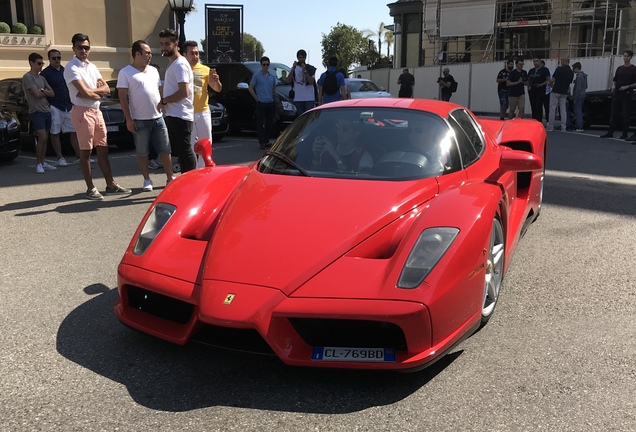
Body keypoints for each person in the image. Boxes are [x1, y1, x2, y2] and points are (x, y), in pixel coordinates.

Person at [64, 33, 131, 200]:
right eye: (79, 47)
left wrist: (91, 92)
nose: (83, 50)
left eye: (86, 47)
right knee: (85, 152)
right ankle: (90, 188)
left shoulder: (92, 67)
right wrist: (92, 92)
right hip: (82, 111)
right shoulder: (71, 67)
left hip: (96, 110)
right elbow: (84, 93)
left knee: (103, 149)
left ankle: (110, 184)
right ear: (73, 48)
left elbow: (107, 90)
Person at [117, 40, 174, 191]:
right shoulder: (125, 72)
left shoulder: (153, 71)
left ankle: (170, 178)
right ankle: (147, 180)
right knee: (142, 151)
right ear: (137, 54)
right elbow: (122, 97)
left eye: (150, 53)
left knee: (165, 149)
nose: (150, 56)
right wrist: (128, 119)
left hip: (158, 117)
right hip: (139, 120)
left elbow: (159, 89)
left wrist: (163, 103)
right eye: (147, 53)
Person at [158, 28, 196, 172]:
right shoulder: (173, 63)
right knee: (181, 152)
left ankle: (191, 183)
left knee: (185, 151)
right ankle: (187, 183)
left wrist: (164, 101)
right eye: (161, 44)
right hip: (174, 114)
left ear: (176, 44)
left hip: (181, 115)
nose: (164, 47)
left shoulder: (180, 64)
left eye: (167, 43)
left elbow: (183, 92)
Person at [41, 49, 83, 166]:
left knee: (73, 131)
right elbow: (43, 90)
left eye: (58, 58)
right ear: (49, 59)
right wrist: (48, 105)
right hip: (55, 106)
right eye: (54, 58)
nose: (56, 60)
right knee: (55, 132)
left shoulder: (65, 71)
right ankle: (60, 158)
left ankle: (79, 156)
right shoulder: (45, 74)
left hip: (68, 105)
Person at [183, 40, 222, 168]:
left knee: (206, 144)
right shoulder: (182, 69)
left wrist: (215, 81)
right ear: (184, 55)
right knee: (190, 146)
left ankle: (203, 170)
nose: (195, 56)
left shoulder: (205, 69)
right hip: (187, 113)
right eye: (192, 53)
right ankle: (193, 171)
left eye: (197, 53)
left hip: (203, 111)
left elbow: (217, 89)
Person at [22, 52, 56, 174]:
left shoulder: (42, 78)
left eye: (42, 63)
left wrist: (42, 91)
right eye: (39, 63)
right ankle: (38, 164)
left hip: (46, 110)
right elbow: (36, 95)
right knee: (42, 137)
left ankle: (43, 161)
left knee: (46, 139)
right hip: (36, 111)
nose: (41, 65)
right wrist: (43, 92)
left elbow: (52, 93)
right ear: (31, 63)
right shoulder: (28, 77)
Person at [601, 50, 636, 140]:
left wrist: (627, 86)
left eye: (627, 56)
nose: (625, 58)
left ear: (631, 57)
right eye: (624, 56)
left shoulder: (633, 69)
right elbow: (615, 79)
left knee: (625, 114)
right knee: (614, 113)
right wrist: (613, 85)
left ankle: (625, 134)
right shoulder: (619, 68)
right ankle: (610, 132)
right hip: (617, 93)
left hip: (627, 94)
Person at [249, 56, 277, 150]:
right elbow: (250, 87)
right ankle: (261, 142)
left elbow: (273, 89)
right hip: (261, 102)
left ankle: (266, 140)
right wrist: (257, 98)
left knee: (269, 123)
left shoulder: (272, 77)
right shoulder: (256, 76)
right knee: (260, 123)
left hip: (270, 102)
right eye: (264, 64)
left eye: (267, 64)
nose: (266, 66)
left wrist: (274, 98)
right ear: (261, 65)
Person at [286, 49, 316, 116]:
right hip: (298, 98)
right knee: (300, 118)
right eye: (300, 58)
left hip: (309, 98)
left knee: (308, 118)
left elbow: (311, 82)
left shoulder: (310, 68)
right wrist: (293, 68)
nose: (301, 59)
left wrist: (305, 71)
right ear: (297, 58)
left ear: (305, 58)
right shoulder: (294, 68)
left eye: (303, 57)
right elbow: (288, 80)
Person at [547, 58, 574, 131]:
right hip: (564, 92)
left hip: (556, 91)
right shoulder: (571, 72)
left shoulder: (559, 69)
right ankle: (563, 127)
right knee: (563, 109)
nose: (560, 63)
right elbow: (569, 82)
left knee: (552, 109)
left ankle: (550, 126)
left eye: (561, 61)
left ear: (564, 62)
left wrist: (550, 84)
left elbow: (552, 80)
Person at [527, 58, 550, 122]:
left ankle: (539, 121)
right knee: (533, 106)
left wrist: (542, 84)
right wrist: (528, 88)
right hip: (532, 90)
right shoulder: (531, 70)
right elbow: (528, 79)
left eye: (537, 61)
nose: (535, 62)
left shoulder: (544, 70)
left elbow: (548, 79)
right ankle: (534, 119)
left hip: (541, 90)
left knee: (539, 105)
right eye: (534, 61)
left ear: (540, 61)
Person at [570, 62, 588, 132]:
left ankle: (579, 126)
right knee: (579, 110)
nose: (573, 70)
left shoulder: (579, 76)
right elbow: (586, 86)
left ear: (577, 68)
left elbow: (578, 88)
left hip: (579, 95)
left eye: (574, 68)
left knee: (578, 111)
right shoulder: (584, 76)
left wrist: (575, 98)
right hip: (583, 94)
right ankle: (579, 125)